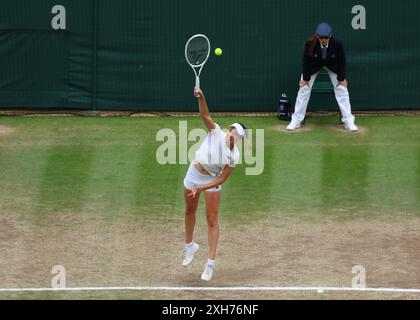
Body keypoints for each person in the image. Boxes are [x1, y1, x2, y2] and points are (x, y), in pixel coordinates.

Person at [182, 88, 246, 281]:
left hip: (211, 181)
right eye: (233, 131)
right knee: (189, 210)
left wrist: (202, 188)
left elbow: (222, 179)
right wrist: (202, 97)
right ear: (229, 129)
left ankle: (210, 264)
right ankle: (189, 246)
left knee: (211, 219)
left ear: (240, 139)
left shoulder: (235, 156)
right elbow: (204, 114)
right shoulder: (216, 131)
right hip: (194, 173)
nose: (234, 135)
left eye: (239, 135)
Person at [287, 22, 358, 132]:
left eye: (325, 37)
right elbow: (305, 62)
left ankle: (348, 120)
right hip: (314, 66)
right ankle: (296, 120)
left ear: (330, 36)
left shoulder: (337, 44)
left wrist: (341, 79)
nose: (323, 40)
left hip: (332, 65)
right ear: (317, 36)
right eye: (321, 38)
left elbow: (342, 61)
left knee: (342, 88)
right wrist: (305, 80)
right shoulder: (309, 44)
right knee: (304, 89)